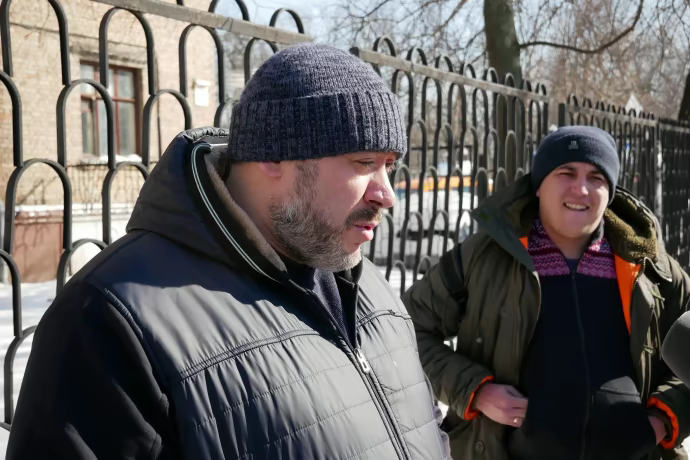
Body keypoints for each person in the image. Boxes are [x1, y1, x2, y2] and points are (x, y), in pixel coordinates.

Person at [6, 43, 450, 460]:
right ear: (274, 154)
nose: (387, 195)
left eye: (389, 166)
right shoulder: (110, 318)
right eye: (364, 163)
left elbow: (424, 429)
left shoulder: (365, 283)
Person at [403, 125, 690, 460]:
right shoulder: (483, 256)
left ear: (610, 192)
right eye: (566, 173)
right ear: (539, 185)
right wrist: (476, 391)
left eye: (596, 177)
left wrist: (662, 420)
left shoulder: (650, 267)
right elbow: (407, 330)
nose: (581, 188)